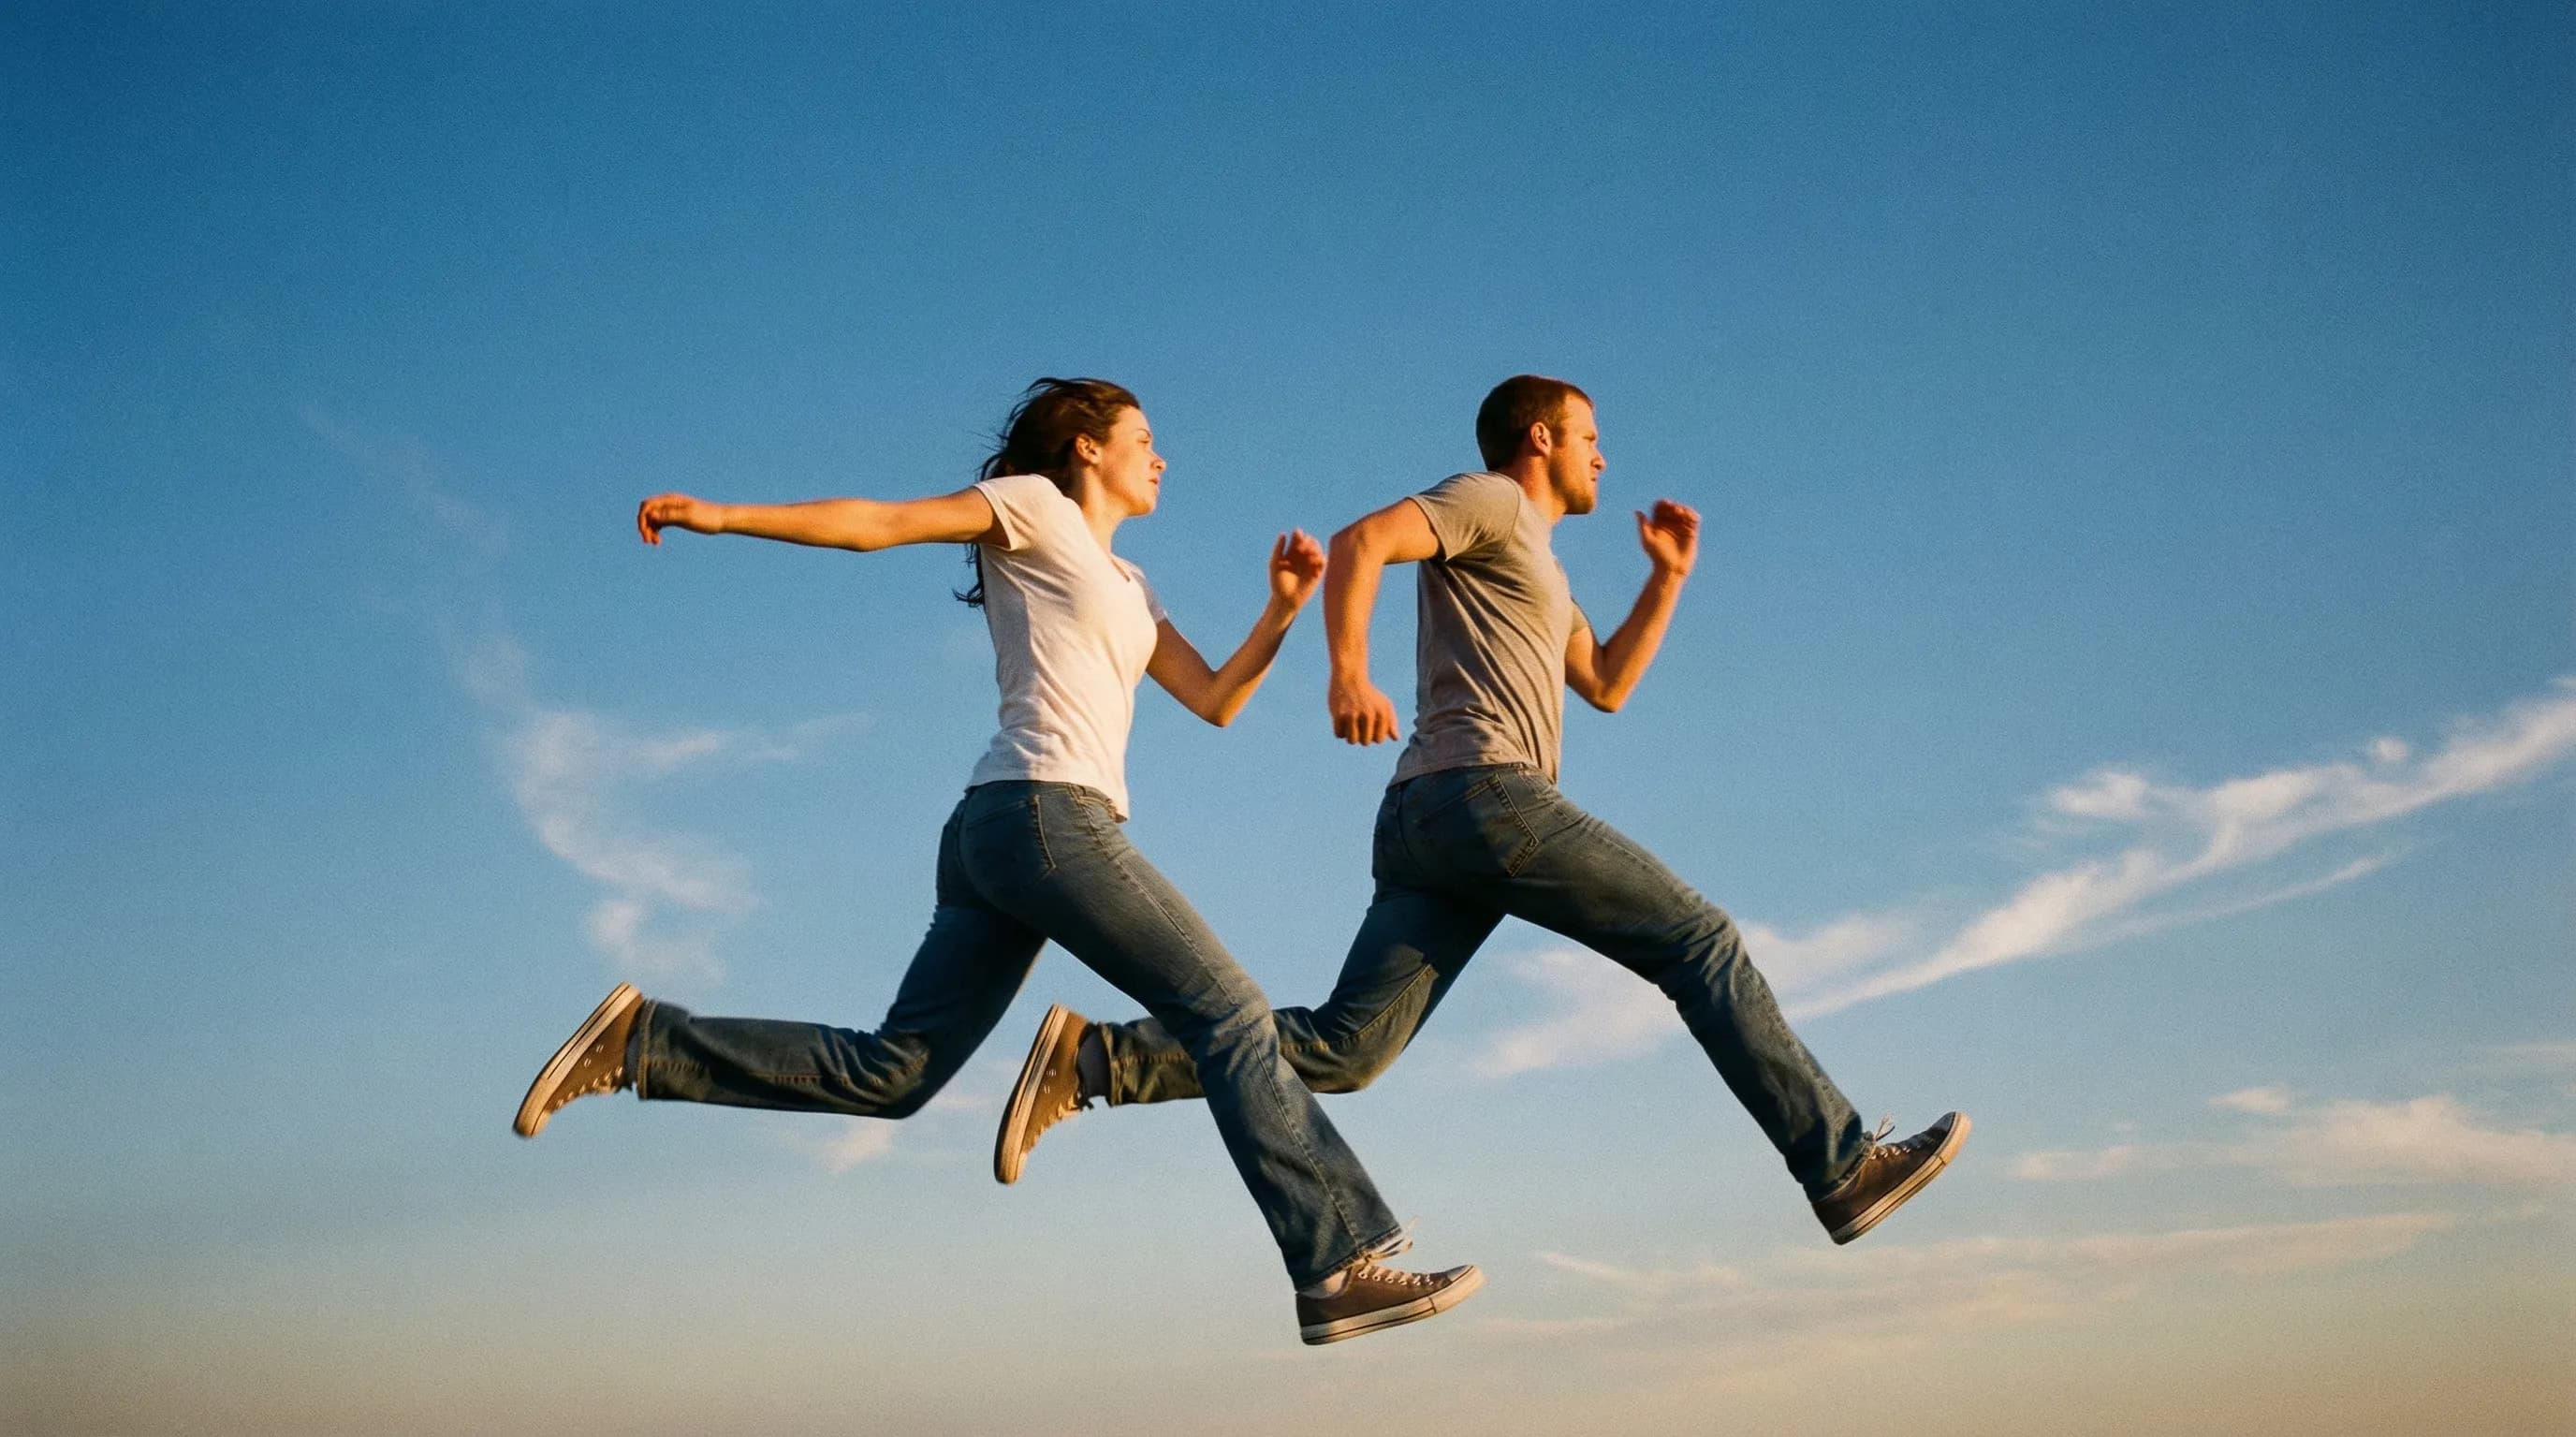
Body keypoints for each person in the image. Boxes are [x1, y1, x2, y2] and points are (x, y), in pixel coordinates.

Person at [512, 378, 1480, 1345]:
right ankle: (1334, 1260)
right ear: (1086, 449)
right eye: (1143, 437)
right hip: (1045, 817)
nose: (1162, 455)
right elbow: (880, 523)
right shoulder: (1034, 508)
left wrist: (1280, 612)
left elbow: (1216, 697)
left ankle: (642, 1043)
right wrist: (724, 515)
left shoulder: (1131, 584)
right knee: (1227, 1012)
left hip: (1002, 833)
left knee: (892, 1071)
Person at [996, 374, 1967, 1247]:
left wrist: (1666, 579)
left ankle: (1095, 1059)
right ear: (1539, 437)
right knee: (1700, 940)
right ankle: (1839, 1166)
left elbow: (1605, 682)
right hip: (1486, 796)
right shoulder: (1490, 500)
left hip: (1432, 821)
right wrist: (1348, 673)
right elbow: (1362, 541)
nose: (1602, 455)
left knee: (1346, 1047)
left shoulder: (1538, 564)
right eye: (1589, 435)